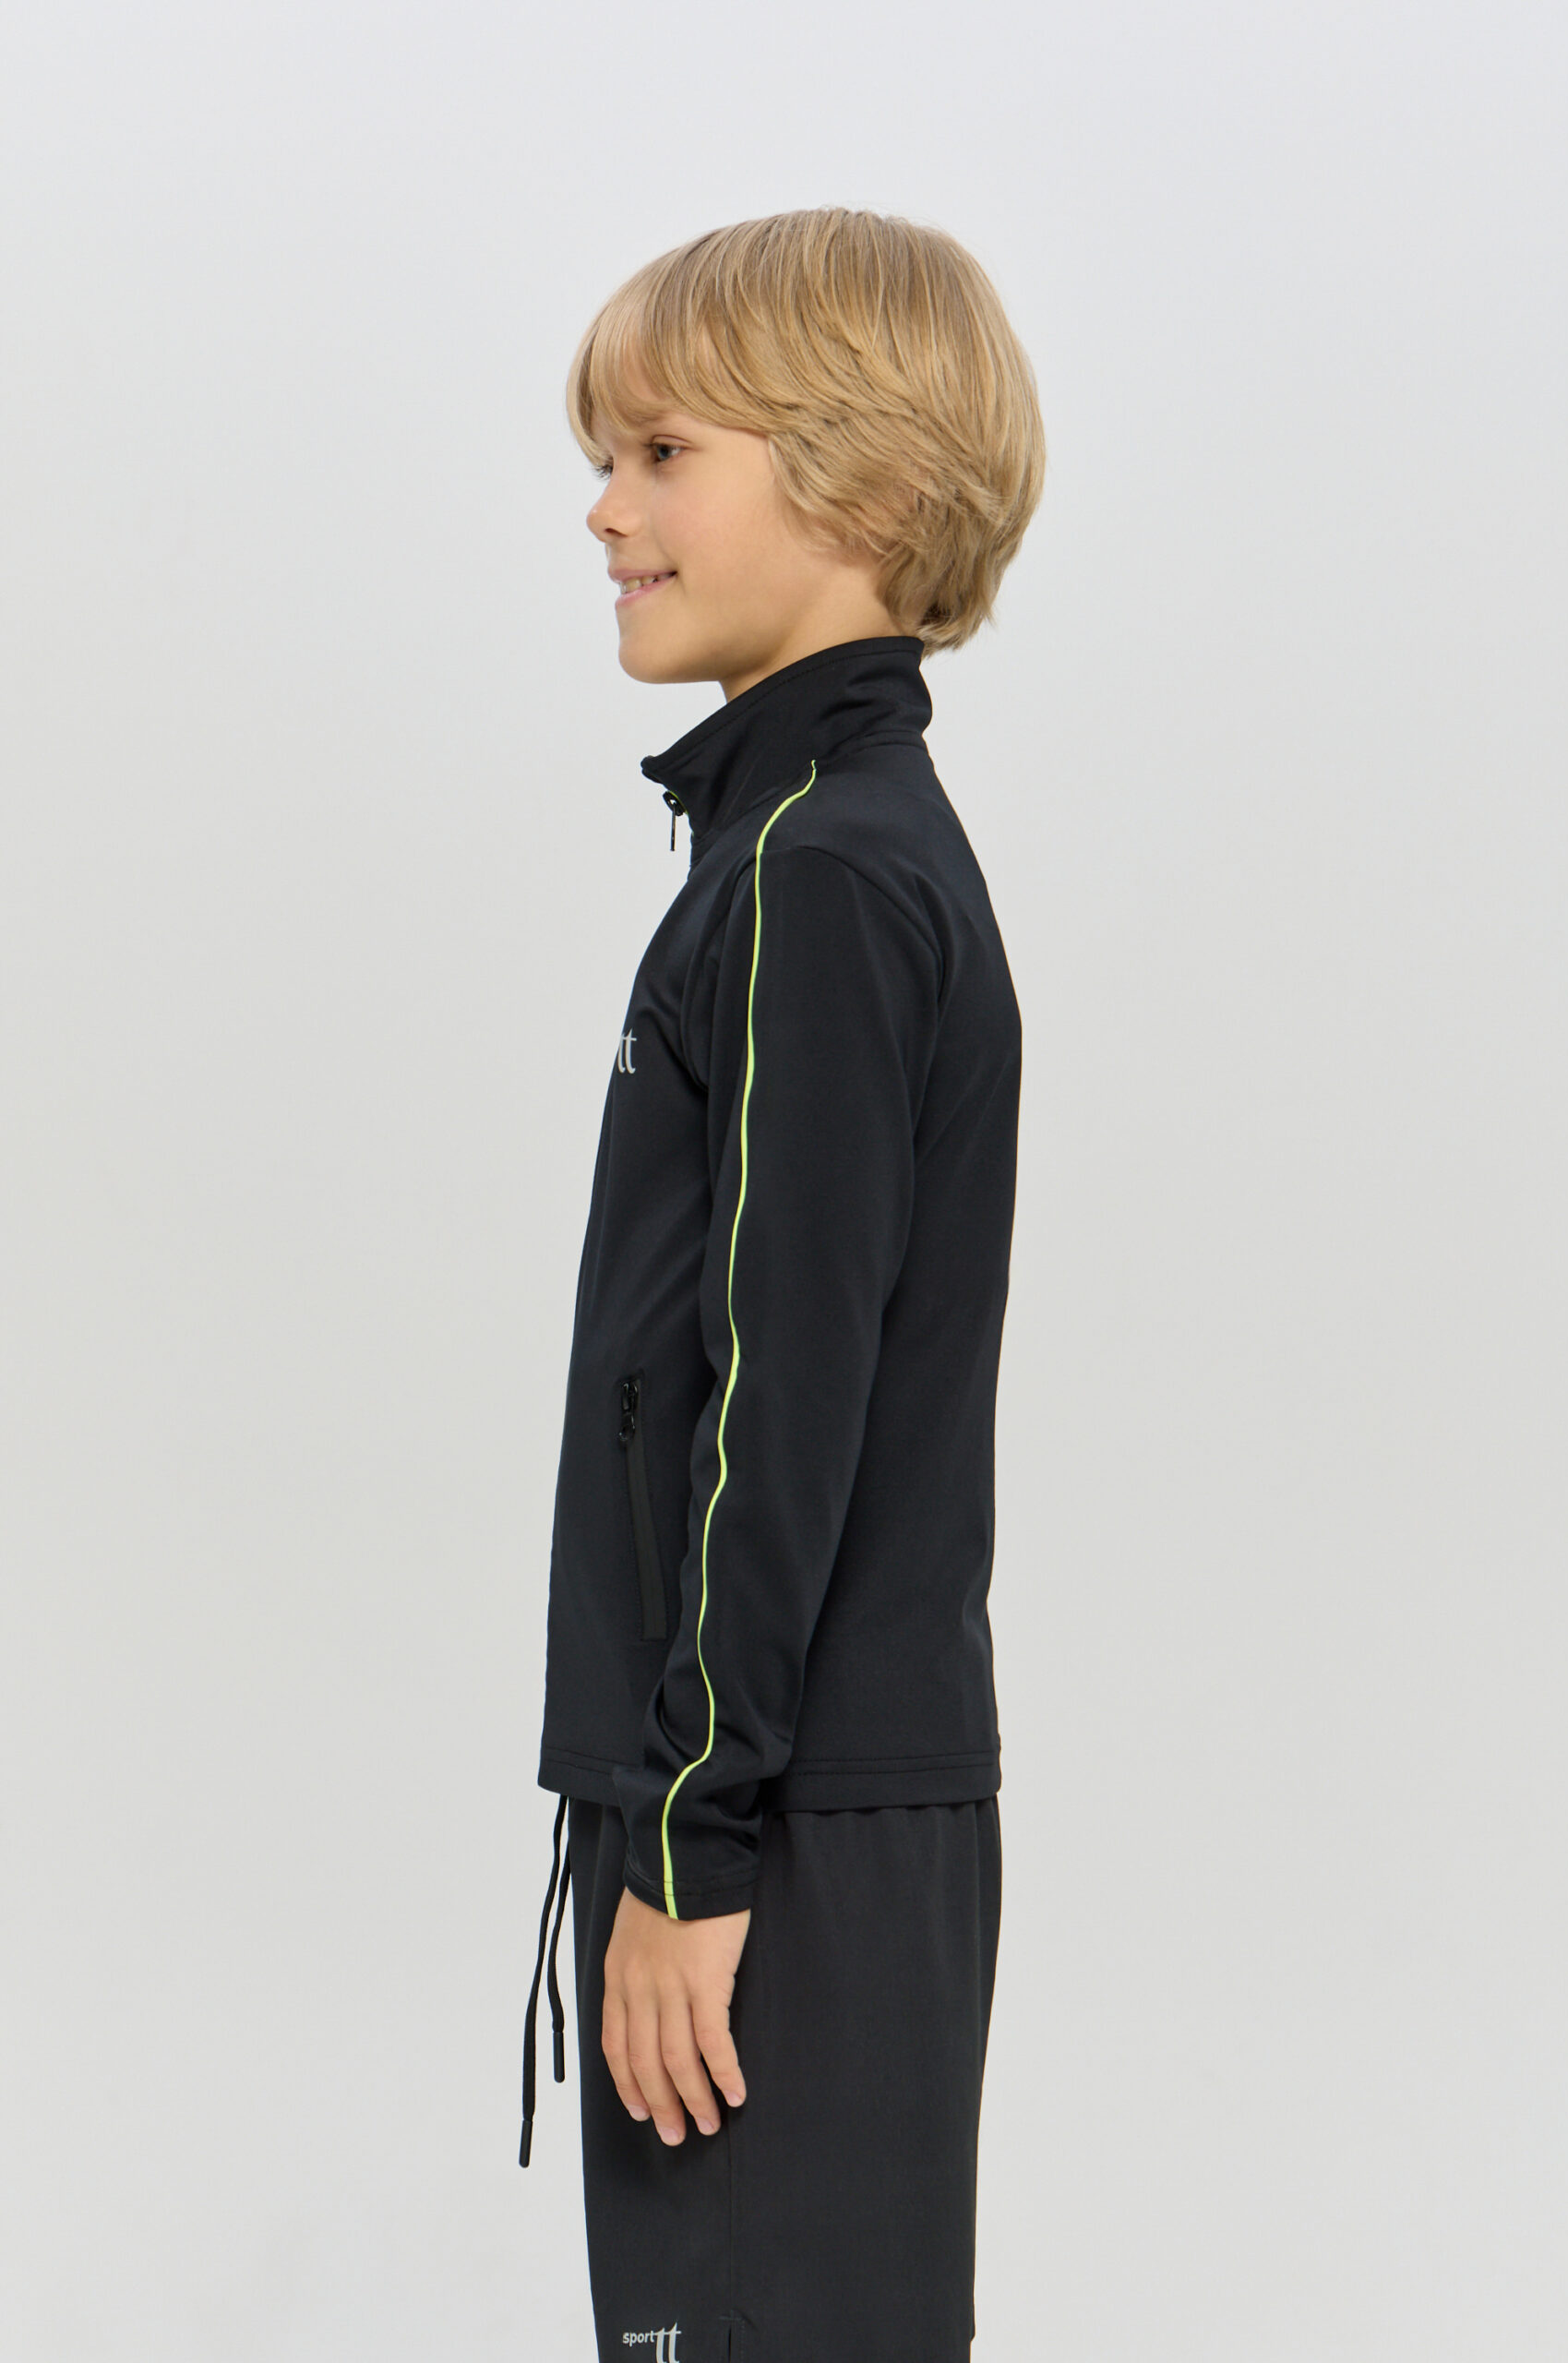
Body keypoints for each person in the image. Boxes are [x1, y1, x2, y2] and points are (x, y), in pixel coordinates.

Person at [520, 205, 1045, 2363]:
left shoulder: (819, 874)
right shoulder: (805, 846)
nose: (604, 507)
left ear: (864, 486)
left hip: (772, 1832)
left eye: (660, 453)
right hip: (795, 1812)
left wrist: (683, 1842)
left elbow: (775, 1400)